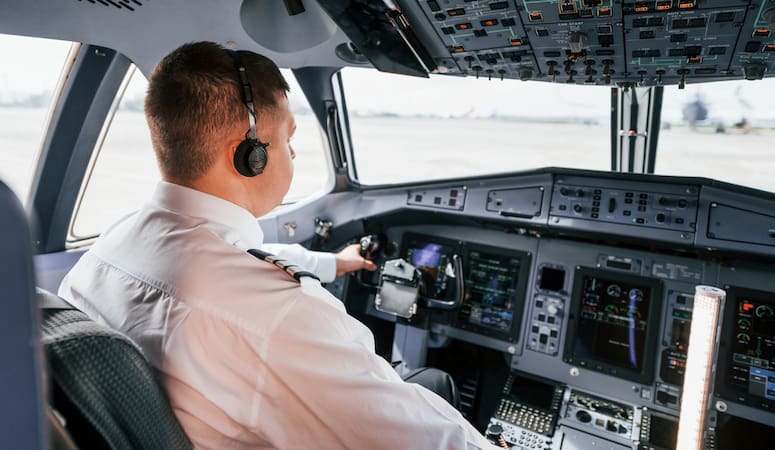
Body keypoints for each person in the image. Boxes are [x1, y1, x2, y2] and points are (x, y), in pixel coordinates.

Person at [58, 41, 497, 449]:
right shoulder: (281, 317)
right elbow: (424, 439)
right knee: (434, 384)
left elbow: (231, 265)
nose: (293, 154)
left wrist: (335, 263)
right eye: (287, 140)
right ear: (249, 156)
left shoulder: (115, 243)